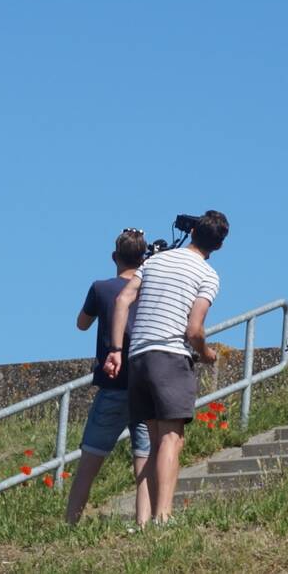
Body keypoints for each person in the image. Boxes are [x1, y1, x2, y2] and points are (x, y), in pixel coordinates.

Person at [104, 210, 229, 525]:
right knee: (172, 439)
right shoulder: (207, 274)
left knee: (154, 440)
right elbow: (194, 330)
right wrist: (207, 353)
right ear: (219, 246)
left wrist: (116, 350)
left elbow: (122, 301)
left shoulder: (154, 261)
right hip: (170, 356)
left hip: (138, 356)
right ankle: (163, 515)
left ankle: (144, 519)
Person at [65, 229, 154, 525]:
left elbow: (81, 324)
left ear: (114, 256)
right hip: (144, 384)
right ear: (144, 258)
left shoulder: (101, 287)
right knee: (144, 463)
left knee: (89, 462)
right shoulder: (149, 287)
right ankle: (144, 524)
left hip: (113, 384)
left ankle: (71, 523)